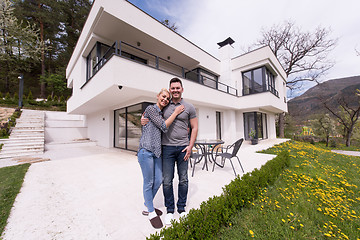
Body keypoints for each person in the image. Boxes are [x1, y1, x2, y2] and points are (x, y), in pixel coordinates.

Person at [142, 77, 198, 225]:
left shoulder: (189, 107)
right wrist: (143, 118)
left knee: (184, 179)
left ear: (182, 89)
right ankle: (170, 210)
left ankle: (181, 209)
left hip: (183, 148)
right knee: (166, 181)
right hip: (166, 148)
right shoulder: (164, 106)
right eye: (172, 88)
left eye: (177, 88)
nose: (174, 91)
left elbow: (195, 127)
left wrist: (190, 146)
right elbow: (153, 116)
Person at [138, 88, 184, 229]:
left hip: (157, 152)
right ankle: (151, 211)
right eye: (163, 97)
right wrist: (176, 112)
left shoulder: (160, 113)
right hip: (146, 151)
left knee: (159, 179)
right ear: (158, 96)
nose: (165, 99)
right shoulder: (151, 109)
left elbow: (161, 127)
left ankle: (148, 203)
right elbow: (164, 126)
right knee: (149, 181)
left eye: (167, 99)